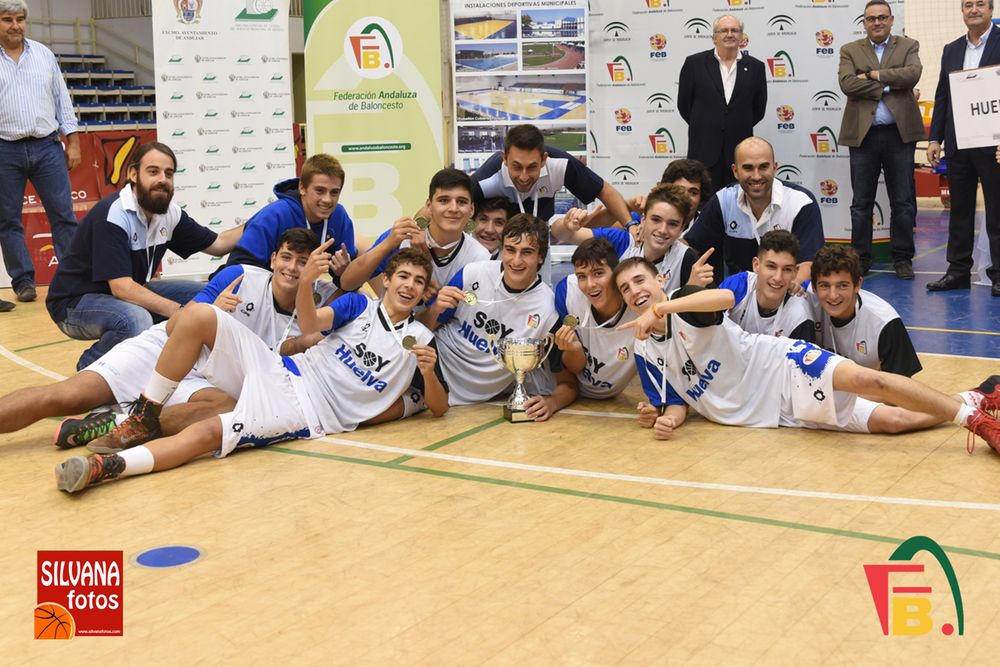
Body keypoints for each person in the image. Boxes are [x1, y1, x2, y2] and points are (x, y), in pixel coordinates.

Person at [55, 247, 449, 493]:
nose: (409, 286)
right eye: (403, 277)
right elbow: (312, 326)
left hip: (303, 411)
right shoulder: (359, 307)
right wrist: (308, 280)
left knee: (208, 431)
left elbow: (439, 408)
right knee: (198, 315)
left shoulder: (420, 338)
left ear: (423, 291)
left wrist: (429, 375)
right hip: (279, 367)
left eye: (418, 282)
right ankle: (142, 414)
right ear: (387, 280)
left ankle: (107, 468)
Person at [612, 257, 1000, 448]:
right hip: (770, 413)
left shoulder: (683, 301)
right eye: (626, 288)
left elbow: (727, 296)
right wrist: (667, 420)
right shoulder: (643, 348)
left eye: (640, 280)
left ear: (660, 280)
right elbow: (676, 401)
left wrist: (662, 308)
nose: (635, 291)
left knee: (870, 379)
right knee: (893, 423)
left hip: (778, 366)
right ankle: (976, 397)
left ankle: (975, 422)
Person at [0, 228, 323, 449]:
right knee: (62, 397)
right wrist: (212, 310)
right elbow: (176, 326)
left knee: (226, 408)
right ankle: (119, 415)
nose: (292, 268)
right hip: (160, 351)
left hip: (201, 378)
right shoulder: (239, 278)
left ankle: (117, 422)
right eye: (286, 257)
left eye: (303, 262)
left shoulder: (311, 313)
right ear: (272, 260)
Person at [45, 142, 243, 370]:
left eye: (168, 174)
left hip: (120, 295)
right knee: (135, 320)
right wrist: (182, 312)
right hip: (73, 304)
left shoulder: (169, 213)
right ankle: (89, 371)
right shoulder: (114, 213)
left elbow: (219, 244)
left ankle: (182, 369)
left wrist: (267, 220)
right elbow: (122, 288)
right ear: (132, 174)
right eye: (153, 171)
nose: (162, 179)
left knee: (208, 297)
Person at [422, 214, 574, 418]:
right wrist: (433, 311)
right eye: (510, 250)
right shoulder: (473, 273)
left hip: (464, 400)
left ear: (540, 256)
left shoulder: (548, 310)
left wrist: (553, 402)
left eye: (527, 252)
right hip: (431, 365)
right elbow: (419, 330)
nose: (516, 260)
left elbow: (569, 382)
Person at [0, 0, 81, 303]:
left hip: (47, 146)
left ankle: (73, 277)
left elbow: (63, 100)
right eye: (7, 19)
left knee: (63, 215)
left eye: (20, 19)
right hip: (4, 148)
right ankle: (23, 281)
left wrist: (72, 141)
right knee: (7, 219)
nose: (15, 25)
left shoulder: (44, 54)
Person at [839, 0, 923, 279]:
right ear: (864, 22)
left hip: (899, 136)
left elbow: (912, 74)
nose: (876, 22)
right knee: (861, 202)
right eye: (871, 18)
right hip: (864, 136)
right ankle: (860, 258)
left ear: (891, 20)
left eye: (882, 18)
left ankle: (903, 258)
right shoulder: (849, 50)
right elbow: (847, 84)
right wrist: (891, 85)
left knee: (902, 201)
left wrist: (874, 76)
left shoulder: (908, 45)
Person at [926, 0, 1000, 296]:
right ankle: (957, 271)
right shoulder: (951, 49)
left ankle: (998, 274)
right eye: (968, 4)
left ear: (991, 10)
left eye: (980, 4)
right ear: (962, 11)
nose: (973, 9)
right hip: (959, 143)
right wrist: (935, 139)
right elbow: (942, 95)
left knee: (997, 211)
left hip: (994, 143)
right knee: (959, 211)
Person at [685, 137, 824, 284]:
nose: (756, 176)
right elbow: (690, 246)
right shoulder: (724, 200)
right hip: (737, 297)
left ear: (775, 167)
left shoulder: (801, 202)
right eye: (748, 168)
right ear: (735, 171)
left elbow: (809, 265)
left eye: (763, 167)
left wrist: (777, 292)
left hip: (786, 292)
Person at [339, 168, 490, 295]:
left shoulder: (480, 257)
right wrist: (388, 244)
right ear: (429, 206)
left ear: (471, 210)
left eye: (462, 202)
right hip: (394, 326)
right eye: (444, 200)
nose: (453, 209)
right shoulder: (402, 238)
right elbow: (347, 283)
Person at [552, 183, 714, 295]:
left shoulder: (687, 259)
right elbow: (563, 234)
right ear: (643, 219)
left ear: (682, 228)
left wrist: (692, 289)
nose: (662, 230)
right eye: (656, 220)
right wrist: (567, 225)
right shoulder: (622, 241)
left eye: (673, 224)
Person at [224, 153, 358, 281]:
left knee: (359, 296)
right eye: (319, 191)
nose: (327, 199)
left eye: (334, 192)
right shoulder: (275, 215)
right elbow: (238, 267)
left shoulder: (339, 217)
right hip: (256, 292)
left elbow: (348, 281)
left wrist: (342, 273)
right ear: (302, 188)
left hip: (300, 290)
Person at [472, 124, 632, 226]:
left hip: (539, 238)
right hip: (498, 240)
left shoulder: (560, 164)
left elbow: (604, 190)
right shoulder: (488, 176)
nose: (524, 176)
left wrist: (630, 225)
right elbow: (455, 202)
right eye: (517, 167)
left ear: (543, 159)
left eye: (532, 167)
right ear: (505, 159)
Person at [677, 15, 767, 192]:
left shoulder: (756, 67)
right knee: (702, 204)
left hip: (739, 152)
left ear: (742, 36)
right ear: (714, 36)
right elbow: (684, 105)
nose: (730, 34)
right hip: (703, 149)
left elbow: (758, 109)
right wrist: (707, 124)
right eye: (724, 30)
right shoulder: (694, 64)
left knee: (737, 202)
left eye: (735, 30)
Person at [806, 245, 921, 377]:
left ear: (858, 285)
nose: (833, 295)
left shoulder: (884, 322)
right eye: (825, 285)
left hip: (870, 394)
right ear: (814, 287)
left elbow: (902, 386)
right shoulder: (806, 299)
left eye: (842, 285)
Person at [553, 238, 638, 399]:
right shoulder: (567, 292)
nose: (590, 284)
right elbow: (575, 368)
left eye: (598, 273)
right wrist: (574, 348)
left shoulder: (637, 306)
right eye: (581, 276)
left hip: (612, 401)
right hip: (568, 392)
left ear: (616, 274)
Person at [719, 230, 815, 342]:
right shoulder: (739, 285)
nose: (778, 278)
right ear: (756, 265)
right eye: (771, 266)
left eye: (787, 269)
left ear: (795, 272)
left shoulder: (800, 317)